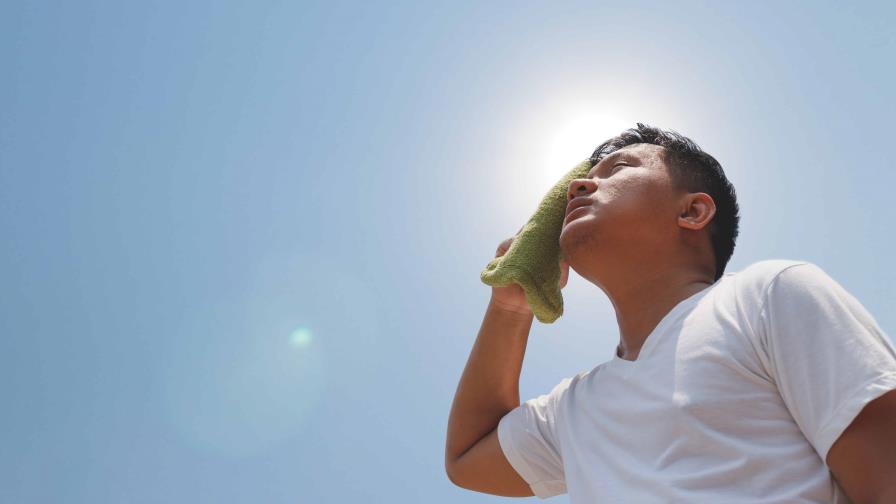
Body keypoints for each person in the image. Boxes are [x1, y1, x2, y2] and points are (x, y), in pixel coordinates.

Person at [445, 123, 896, 503]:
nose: (578, 187)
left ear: (694, 211)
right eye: (577, 185)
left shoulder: (768, 296)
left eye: (619, 169)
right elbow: (468, 458)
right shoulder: (574, 408)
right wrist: (508, 305)